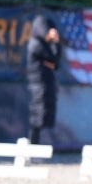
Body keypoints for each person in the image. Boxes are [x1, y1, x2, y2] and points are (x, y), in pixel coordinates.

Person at [26, 14, 61, 144]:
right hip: (38, 86)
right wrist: (55, 43)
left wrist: (55, 43)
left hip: (45, 85)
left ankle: (36, 146)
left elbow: (55, 63)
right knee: (37, 117)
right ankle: (32, 146)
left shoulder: (45, 45)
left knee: (44, 117)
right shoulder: (36, 44)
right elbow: (52, 59)